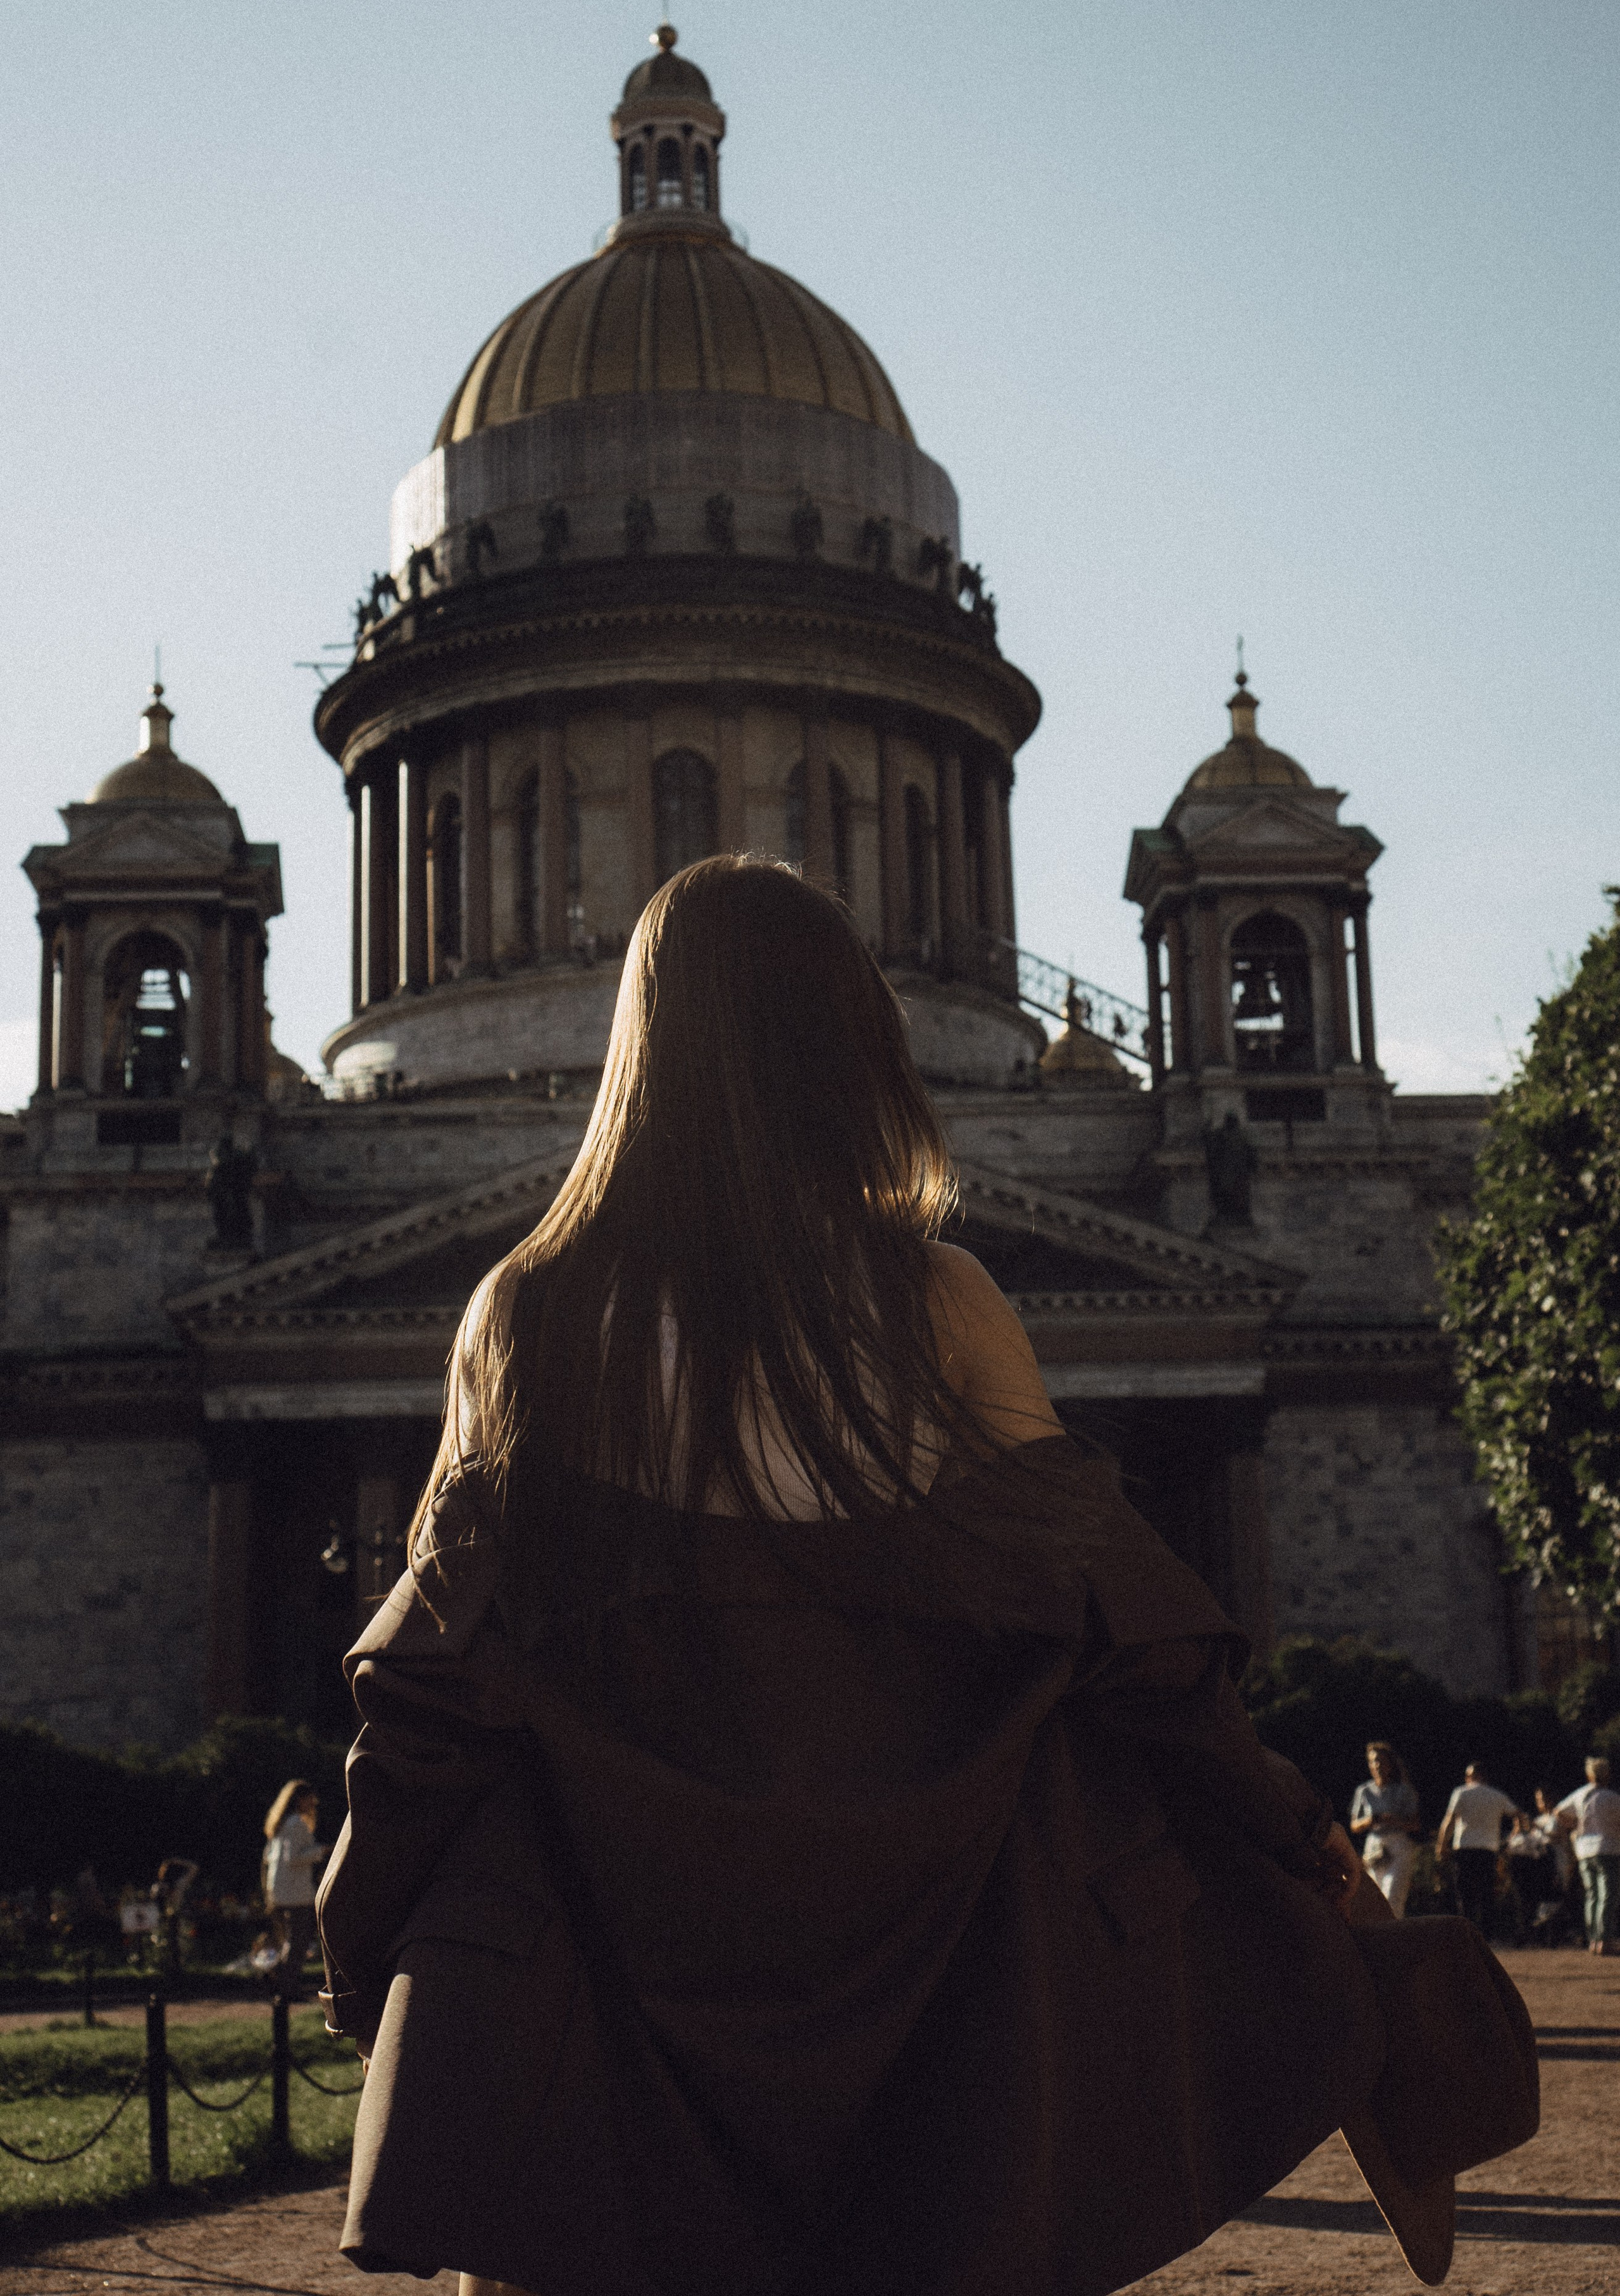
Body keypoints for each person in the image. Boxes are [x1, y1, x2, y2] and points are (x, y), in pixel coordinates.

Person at [317, 858, 1389, 2296]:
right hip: (932, 2003)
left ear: (639, 1045)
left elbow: (433, 1687)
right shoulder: (941, 1302)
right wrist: (1278, 1827)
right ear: (856, 1047)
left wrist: (361, 1926)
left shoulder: (527, 1310)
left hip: (606, 2021)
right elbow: (1129, 1636)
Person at [1436, 1765, 1522, 1939]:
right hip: (1488, 1849)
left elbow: (1450, 1819)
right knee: (1487, 1893)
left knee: (1465, 1893)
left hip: (1464, 1848)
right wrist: (1513, 1836)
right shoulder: (1497, 1795)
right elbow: (1517, 1814)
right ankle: (1486, 1935)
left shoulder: (1461, 1792)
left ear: (1471, 1776)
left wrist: (1442, 1845)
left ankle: (1467, 1933)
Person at [263, 1780, 329, 1999]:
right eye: (310, 1799)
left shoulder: (281, 1825)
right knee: (298, 1942)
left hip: (282, 1891)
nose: (313, 1803)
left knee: (293, 1941)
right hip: (295, 1893)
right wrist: (321, 1851)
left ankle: (280, 1983)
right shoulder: (296, 1824)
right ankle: (286, 1987)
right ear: (300, 1799)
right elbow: (293, 1859)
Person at [1554, 1756, 1620, 1954]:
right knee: (1608, 1895)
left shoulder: (1580, 1795)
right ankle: (1605, 1940)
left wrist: (1573, 1825)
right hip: (1608, 1849)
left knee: (1592, 1896)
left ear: (1589, 1775)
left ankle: (1593, 1940)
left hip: (1584, 1851)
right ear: (1607, 1774)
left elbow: (1558, 1811)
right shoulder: (1612, 1798)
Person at [1349, 1742, 1421, 1918]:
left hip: (1398, 1844)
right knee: (1375, 1898)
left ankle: (1395, 1939)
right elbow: (1354, 1825)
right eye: (1373, 1762)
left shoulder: (1404, 1790)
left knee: (1392, 1896)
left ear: (1390, 1764)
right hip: (1374, 1845)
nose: (1378, 1766)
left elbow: (1416, 1824)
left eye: (1381, 1761)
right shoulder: (1364, 1791)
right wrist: (1370, 1820)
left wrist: (1393, 1819)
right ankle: (1379, 1939)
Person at [1505, 1789, 1571, 1946]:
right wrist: (1520, 1829)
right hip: (1540, 1865)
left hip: (1557, 1862)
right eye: (1538, 1800)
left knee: (1558, 1899)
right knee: (1541, 1902)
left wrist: (1537, 1828)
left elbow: (1556, 1837)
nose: (1541, 1803)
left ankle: (1560, 1936)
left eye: (1543, 1799)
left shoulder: (1556, 1817)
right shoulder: (1539, 1820)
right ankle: (1541, 1937)